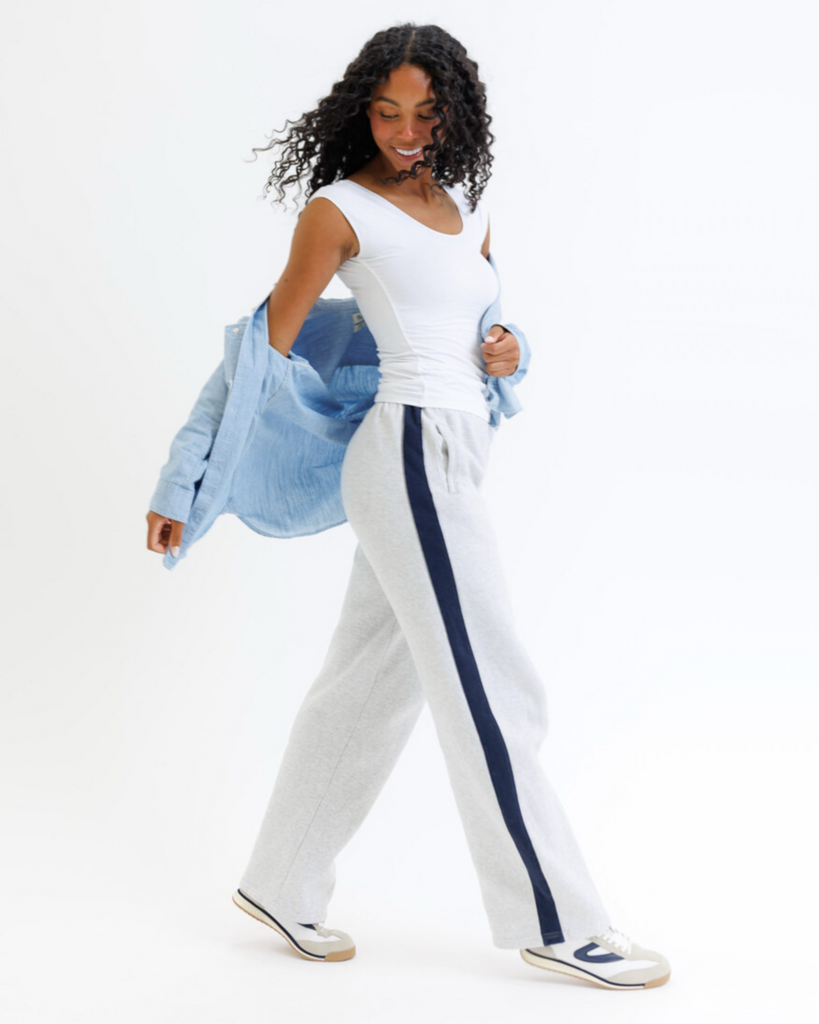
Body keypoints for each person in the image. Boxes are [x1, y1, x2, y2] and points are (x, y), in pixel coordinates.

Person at [146, 23, 670, 990]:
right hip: (408, 455)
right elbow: (260, 348)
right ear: (361, 110)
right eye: (386, 112)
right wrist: (186, 477)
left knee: (368, 686)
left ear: (456, 114)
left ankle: (282, 879)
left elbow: (477, 328)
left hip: (455, 453)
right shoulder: (339, 212)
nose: (404, 131)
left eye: (424, 114)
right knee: (490, 684)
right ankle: (558, 920)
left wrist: (508, 341)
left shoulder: (465, 206)